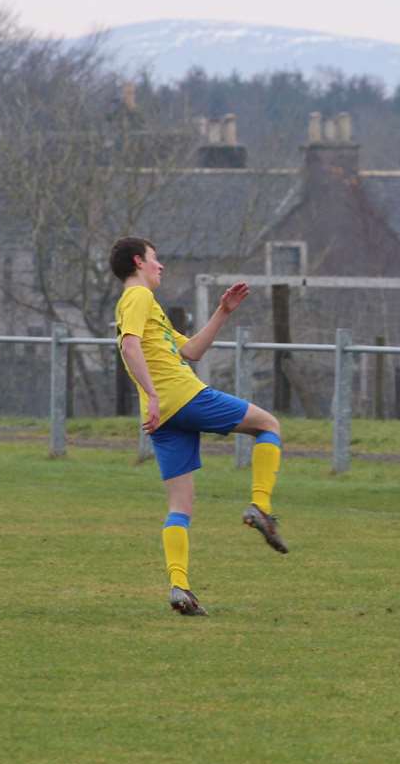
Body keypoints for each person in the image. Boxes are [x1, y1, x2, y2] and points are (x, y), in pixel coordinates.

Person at [112, 236, 287, 618]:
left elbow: (190, 351)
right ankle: (261, 506)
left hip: (163, 416)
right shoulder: (137, 297)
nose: (161, 266)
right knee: (268, 425)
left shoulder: (144, 305)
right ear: (139, 261)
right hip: (181, 397)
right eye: (156, 259)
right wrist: (154, 394)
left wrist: (223, 311)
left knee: (180, 505)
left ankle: (179, 587)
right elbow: (129, 346)